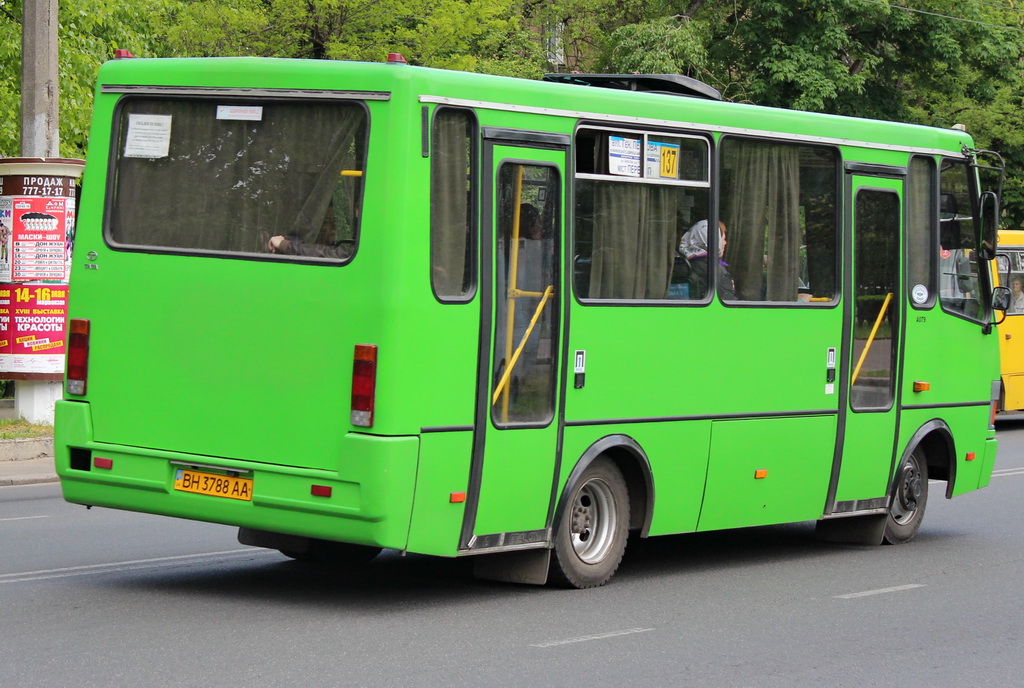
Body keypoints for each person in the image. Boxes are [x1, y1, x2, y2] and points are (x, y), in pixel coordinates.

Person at [678, 219, 735, 300]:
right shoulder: (717, 270)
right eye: (723, 239)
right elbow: (729, 303)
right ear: (715, 241)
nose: (725, 243)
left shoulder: (678, 264)